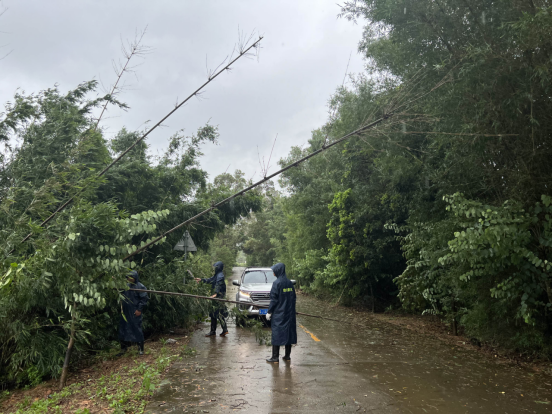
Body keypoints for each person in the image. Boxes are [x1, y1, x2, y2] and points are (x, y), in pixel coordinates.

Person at [266, 263, 297, 363]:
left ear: (278, 271)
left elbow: (274, 300)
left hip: (279, 314)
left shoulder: (277, 283)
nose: (273, 273)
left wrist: (269, 312)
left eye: (274, 271)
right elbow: (293, 298)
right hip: (289, 313)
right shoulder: (289, 283)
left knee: (277, 333)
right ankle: (287, 356)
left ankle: (275, 357)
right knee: (288, 333)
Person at [117, 270, 149, 356]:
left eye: (130, 277)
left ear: (135, 278)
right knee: (123, 329)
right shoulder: (125, 286)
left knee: (136, 328)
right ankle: (123, 349)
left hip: (134, 311)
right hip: (125, 311)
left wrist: (139, 309)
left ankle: (141, 349)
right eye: (128, 277)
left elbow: (144, 299)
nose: (129, 279)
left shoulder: (140, 287)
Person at [195, 261, 229, 337]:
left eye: (216, 267)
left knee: (216, 314)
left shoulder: (220, 276)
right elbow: (210, 280)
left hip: (218, 298)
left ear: (218, 267)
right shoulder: (217, 275)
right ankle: (223, 330)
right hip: (217, 298)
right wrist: (201, 280)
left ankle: (214, 331)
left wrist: (215, 294)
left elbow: (218, 284)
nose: (214, 268)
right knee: (217, 314)